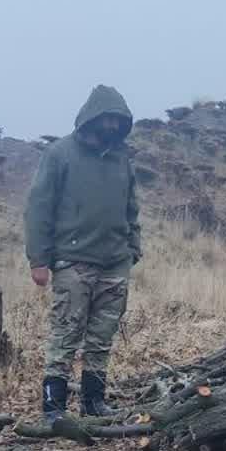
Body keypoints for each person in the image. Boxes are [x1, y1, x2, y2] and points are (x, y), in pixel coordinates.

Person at [24, 84, 141, 419]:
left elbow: (131, 207)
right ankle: (54, 408)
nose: (112, 126)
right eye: (106, 119)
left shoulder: (122, 158)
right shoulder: (60, 154)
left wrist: (134, 247)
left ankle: (93, 403)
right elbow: (38, 208)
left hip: (115, 263)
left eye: (118, 120)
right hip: (72, 262)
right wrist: (38, 260)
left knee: (102, 337)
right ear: (91, 117)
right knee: (65, 334)